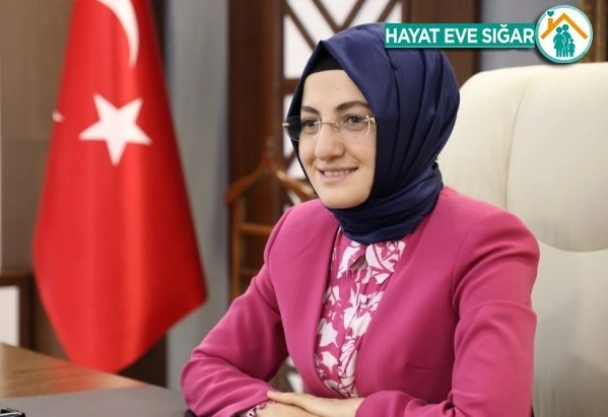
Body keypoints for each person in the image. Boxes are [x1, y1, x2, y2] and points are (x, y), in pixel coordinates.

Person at [181, 23, 539, 417]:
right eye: (310, 123)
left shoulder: (487, 242)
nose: (323, 149)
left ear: (411, 124)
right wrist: (274, 413)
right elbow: (207, 368)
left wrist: (356, 412)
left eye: (354, 120)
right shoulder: (298, 230)